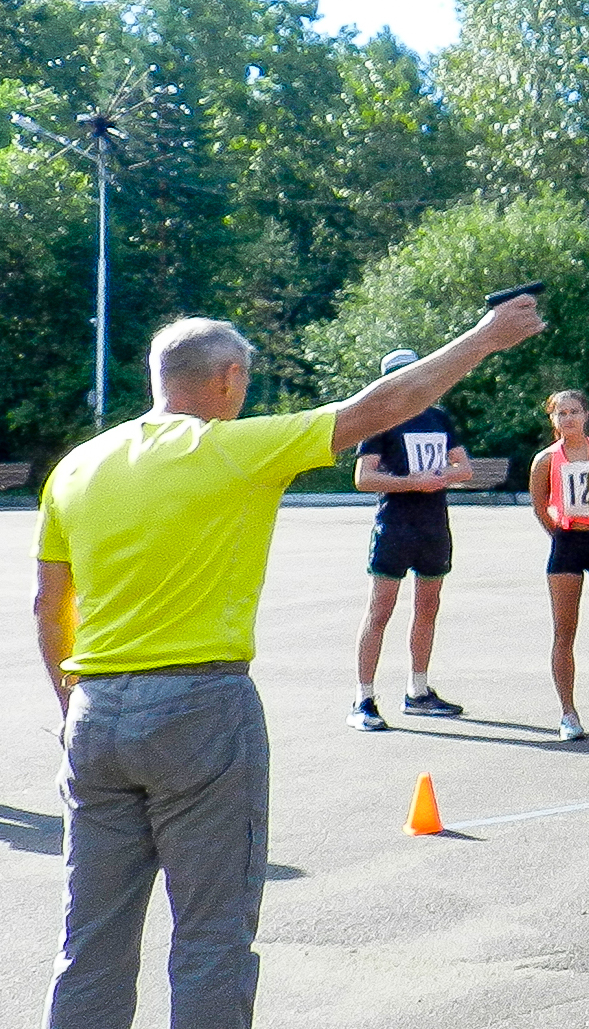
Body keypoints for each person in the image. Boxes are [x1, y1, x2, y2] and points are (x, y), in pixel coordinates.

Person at [35, 302, 543, 1029]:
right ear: (227, 378)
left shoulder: (76, 468)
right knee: (210, 936)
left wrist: (70, 708)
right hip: (199, 707)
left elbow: (47, 604)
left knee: (90, 943)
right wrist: (486, 338)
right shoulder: (234, 447)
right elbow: (385, 403)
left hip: (94, 710)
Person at [348, 348, 475, 732]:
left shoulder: (437, 418)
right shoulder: (377, 420)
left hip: (433, 524)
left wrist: (441, 476)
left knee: (428, 606)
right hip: (395, 526)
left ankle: (418, 691)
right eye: (401, 376)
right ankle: (363, 698)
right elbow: (363, 478)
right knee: (380, 610)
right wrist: (409, 483)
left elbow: (464, 468)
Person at [528, 390, 589, 739]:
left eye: (574, 411)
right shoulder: (546, 460)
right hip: (567, 543)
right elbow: (539, 504)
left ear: (586, 415)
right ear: (553, 419)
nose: (568, 419)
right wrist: (558, 532)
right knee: (565, 630)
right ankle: (568, 712)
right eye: (561, 413)